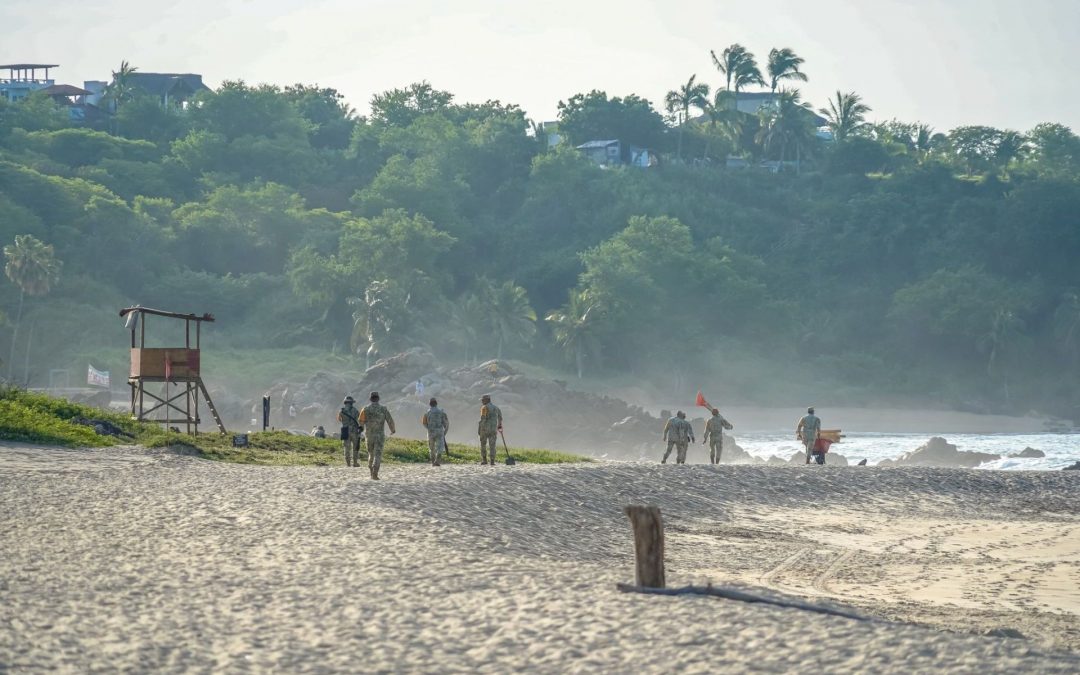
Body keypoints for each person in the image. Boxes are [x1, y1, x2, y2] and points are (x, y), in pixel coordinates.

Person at [359, 391, 395, 480]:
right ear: (378, 398)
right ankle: (375, 473)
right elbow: (390, 420)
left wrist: (361, 430)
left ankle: (371, 471)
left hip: (369, 435)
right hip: (379, 435)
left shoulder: (365, 409)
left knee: (370, 454)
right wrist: (392, 430)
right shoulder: (383, 409)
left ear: (370, 399)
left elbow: (361, 421)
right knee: (378, 454)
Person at [421, 397, 449, 466]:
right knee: (440, 447)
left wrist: (428, 428)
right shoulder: (441, 412)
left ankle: (433, 461)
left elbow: (424, 423)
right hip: (440, 432)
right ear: (436, 403)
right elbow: (446, 423)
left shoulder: (427, 413)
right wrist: (444, 432)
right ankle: (437, 461)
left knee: (431, 448)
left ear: (430, 404)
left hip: (431, 432)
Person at [477, 394, 503, 465]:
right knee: (492, 445)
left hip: (484, 429)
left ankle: (484, 460)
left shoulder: (484, 408)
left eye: (483, 400)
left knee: (483, 444)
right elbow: (500, 418)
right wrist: (499, 425)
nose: (482, 401)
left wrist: (479, 429)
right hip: (493, 430)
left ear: (487, 400)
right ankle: (492, 461)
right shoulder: (496, 408)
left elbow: (483, 418)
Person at [338, 396, 363, 467]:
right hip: (354, 431)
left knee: (346, 448)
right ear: (351, 403)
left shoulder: (341, 411)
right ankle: (355, 463)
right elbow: (359, 420)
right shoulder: (355, 410)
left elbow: (339, 419)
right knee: (355, 448)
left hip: (345, 430)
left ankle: (348, 463)